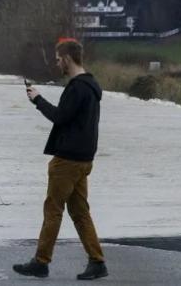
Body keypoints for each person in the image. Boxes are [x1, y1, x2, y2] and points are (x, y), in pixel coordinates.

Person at [13, 38, 108, 280]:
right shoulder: (92, 86)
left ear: (67, 59)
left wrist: (37, 100)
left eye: (58, 59)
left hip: (67, 160)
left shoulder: (76, 88)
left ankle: (41, 262)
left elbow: (60, 117)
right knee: (80, 211)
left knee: (53, 210)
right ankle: (97, 262)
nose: (56, 64)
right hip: (84, 159)